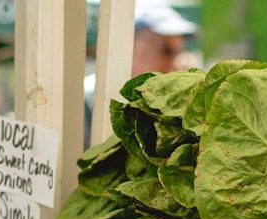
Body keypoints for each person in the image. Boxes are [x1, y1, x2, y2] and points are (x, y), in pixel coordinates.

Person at [83, 0, 197, 146]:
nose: (176, 65)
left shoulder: (165, 111)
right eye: (167, 51)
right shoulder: (86, 101)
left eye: (178, 52)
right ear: (129, 44)